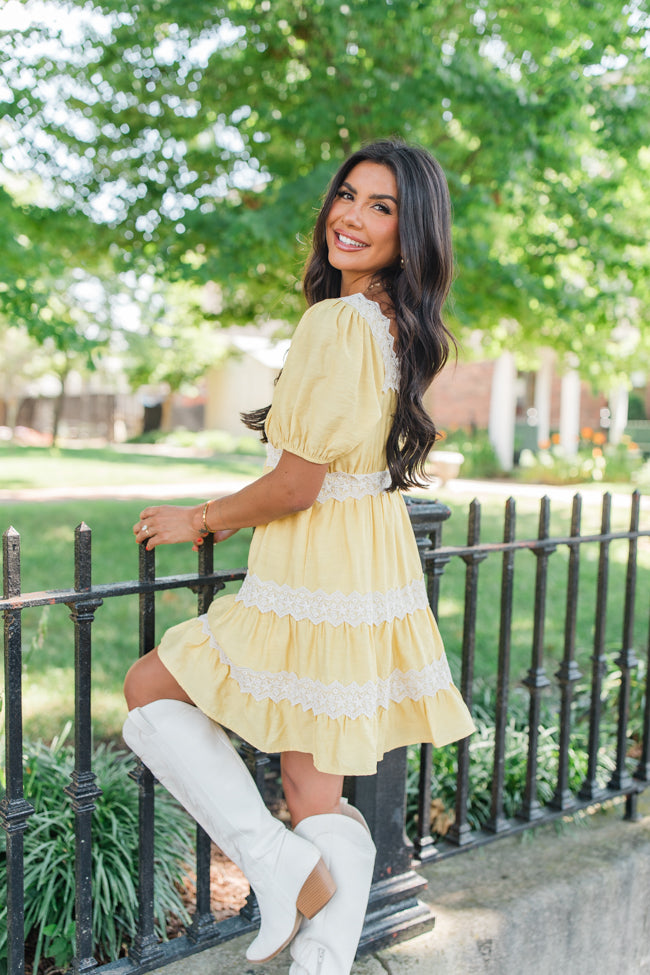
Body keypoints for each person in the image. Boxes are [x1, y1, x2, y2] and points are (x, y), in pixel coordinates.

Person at [122, 139, 475, 974]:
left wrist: (199, 519)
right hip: (364, 567)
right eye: (346, 195)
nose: (350, 217)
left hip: (317, 567)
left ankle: (276, 862)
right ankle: (324, 954)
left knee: (146, 690)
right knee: (316, 793)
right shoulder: (393, 324)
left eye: (380, 207)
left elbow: (296, 483)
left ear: (411, 230)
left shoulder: (336, 320)